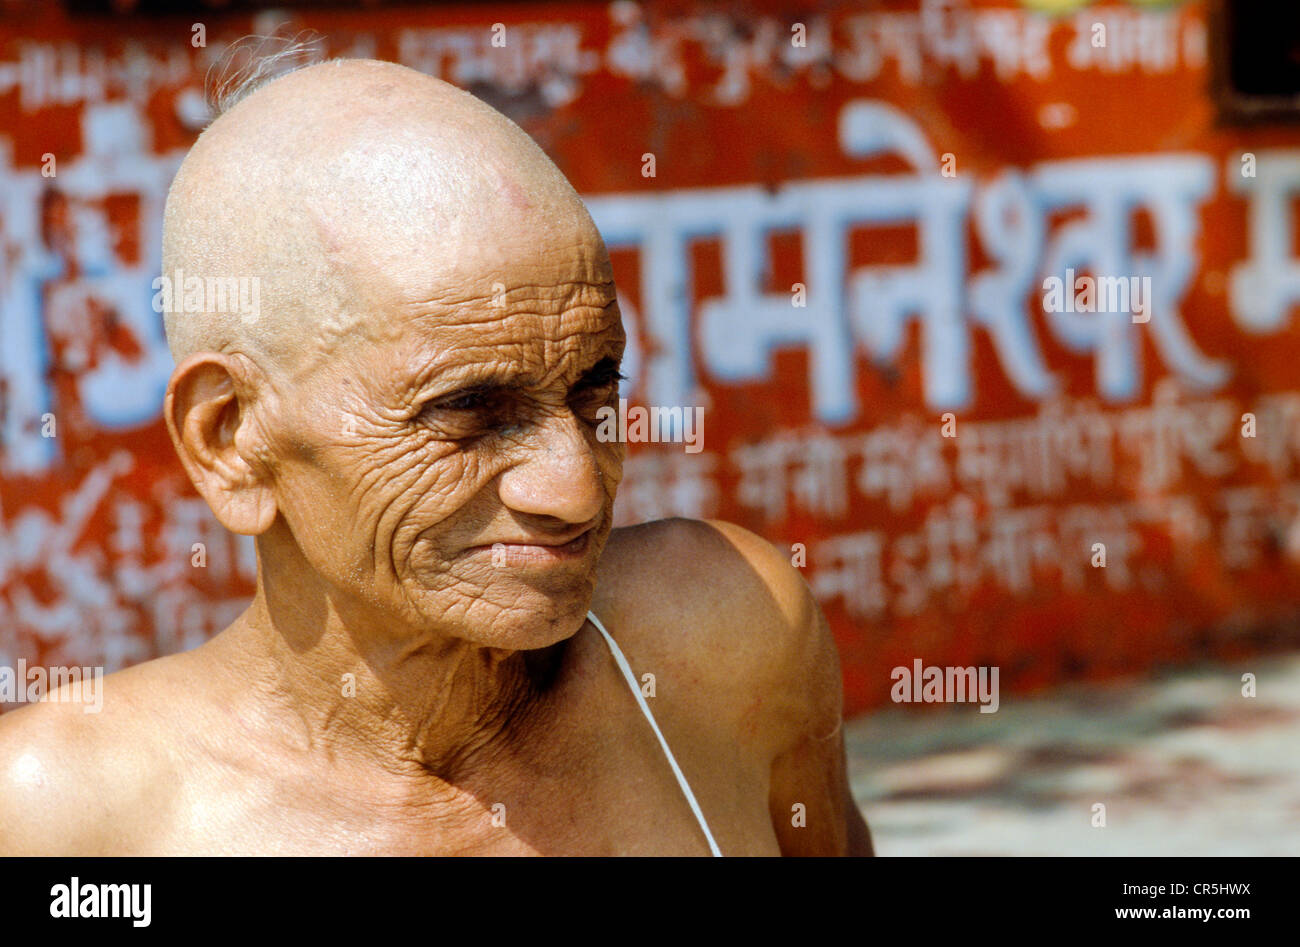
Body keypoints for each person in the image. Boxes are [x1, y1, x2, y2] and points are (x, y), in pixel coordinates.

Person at [0, 58, 873, 856]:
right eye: (467, 413)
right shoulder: (66, 816)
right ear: (231, 441)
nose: (572, 489)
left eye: (593, 388)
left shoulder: (726, 640)